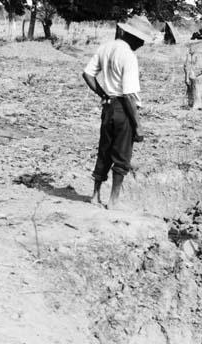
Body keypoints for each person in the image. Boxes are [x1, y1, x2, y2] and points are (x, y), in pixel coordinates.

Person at [82, 16, 154, 209]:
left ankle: (95, 195)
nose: (141, 44)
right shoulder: (129, 56)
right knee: (121, 155)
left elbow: (87, 74)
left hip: (108, 106)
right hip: (124, 109)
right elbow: (130, 95)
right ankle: (113, 201)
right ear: (134, 38)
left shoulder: (106, 47)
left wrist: (103, 93)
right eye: (140, 40)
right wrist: (138, 126)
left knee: (104, 150)